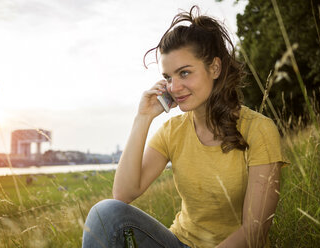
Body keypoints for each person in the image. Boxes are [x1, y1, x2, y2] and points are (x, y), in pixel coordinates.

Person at [82, 5, 289, 248]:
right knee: (104, 213)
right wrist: (143, 118)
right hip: (179, 243)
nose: (173, 87)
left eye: (184, 73)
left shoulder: (259, 130)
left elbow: (254, 231)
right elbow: (124, 194)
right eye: (168, 77)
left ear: (214, 68)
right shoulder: (173, 131)